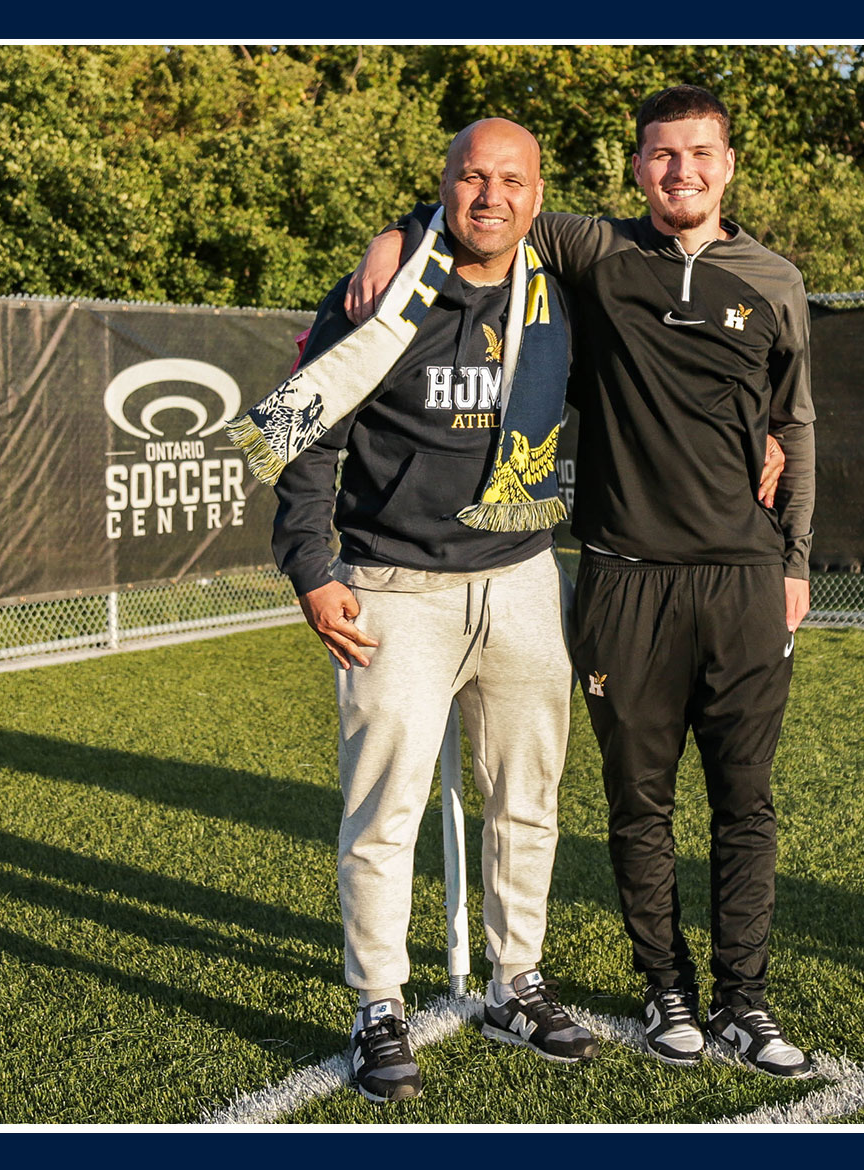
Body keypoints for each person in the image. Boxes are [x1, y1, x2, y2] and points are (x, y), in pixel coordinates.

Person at [348, 85, 819, 1079]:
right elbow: (485, 200)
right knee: (634, 804)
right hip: (621, 578)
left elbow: (798, 422)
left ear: (726, 164)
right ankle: (665, 996)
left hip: (742, 579)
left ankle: (745, 1003)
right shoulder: (592, 252)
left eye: (698, 155)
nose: (679, 172)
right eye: (659, 156)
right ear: (634, 166)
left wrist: (795, 559)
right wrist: (394, 236)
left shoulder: (773, 279)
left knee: (744, 803)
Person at [229, 118, 600, 1104]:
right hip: (392, 587)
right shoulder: (381, 291)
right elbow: (304, 434)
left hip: (523, 578)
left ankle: (517, 980)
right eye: (470, 177)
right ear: (441, 186)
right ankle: (377, 1004)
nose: (490, 196)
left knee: (527, 798)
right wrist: (310, 568)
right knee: (381, 813)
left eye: (511, 180)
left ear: (536, 194)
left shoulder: (563, 289)